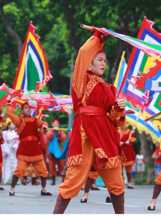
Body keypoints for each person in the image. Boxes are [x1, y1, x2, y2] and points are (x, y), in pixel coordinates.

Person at [53, 30, 126, 214]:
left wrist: (119, 108)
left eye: (105, 61)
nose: (104, 63)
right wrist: (97, 36)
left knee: (116, 182)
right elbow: (83, 53)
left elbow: (116, 121)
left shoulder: (110, 88)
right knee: (73, 180)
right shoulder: (81, 80)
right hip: (85, 130)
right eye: (100, 59)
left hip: (105, 134)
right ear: (91, 62)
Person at [3, 101, 51, 195]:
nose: (28, 109)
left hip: (35, 149)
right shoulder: (19, 120)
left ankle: (44, 189)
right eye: (26, 108)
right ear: (22, 111)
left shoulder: (35, 120)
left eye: (29, 108)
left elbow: (43, 123)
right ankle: (12, 189)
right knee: (19, 170)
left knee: (43, 170)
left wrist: (44, 125)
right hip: (24, 149)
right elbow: (9, 113)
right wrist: (8, 103)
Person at [47, 120, 67, 185]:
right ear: (52, 125)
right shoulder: (50, 131)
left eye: (57, 124)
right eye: (54, 124)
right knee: (51, 166)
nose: (56, 125)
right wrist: (53, 131)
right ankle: (53, 179)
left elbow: (63, 138)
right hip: (51, 150)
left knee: (61, 165)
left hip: (58, 150)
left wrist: (58, 132)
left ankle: (63, 179)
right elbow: (49, 136)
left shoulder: (61, 131)